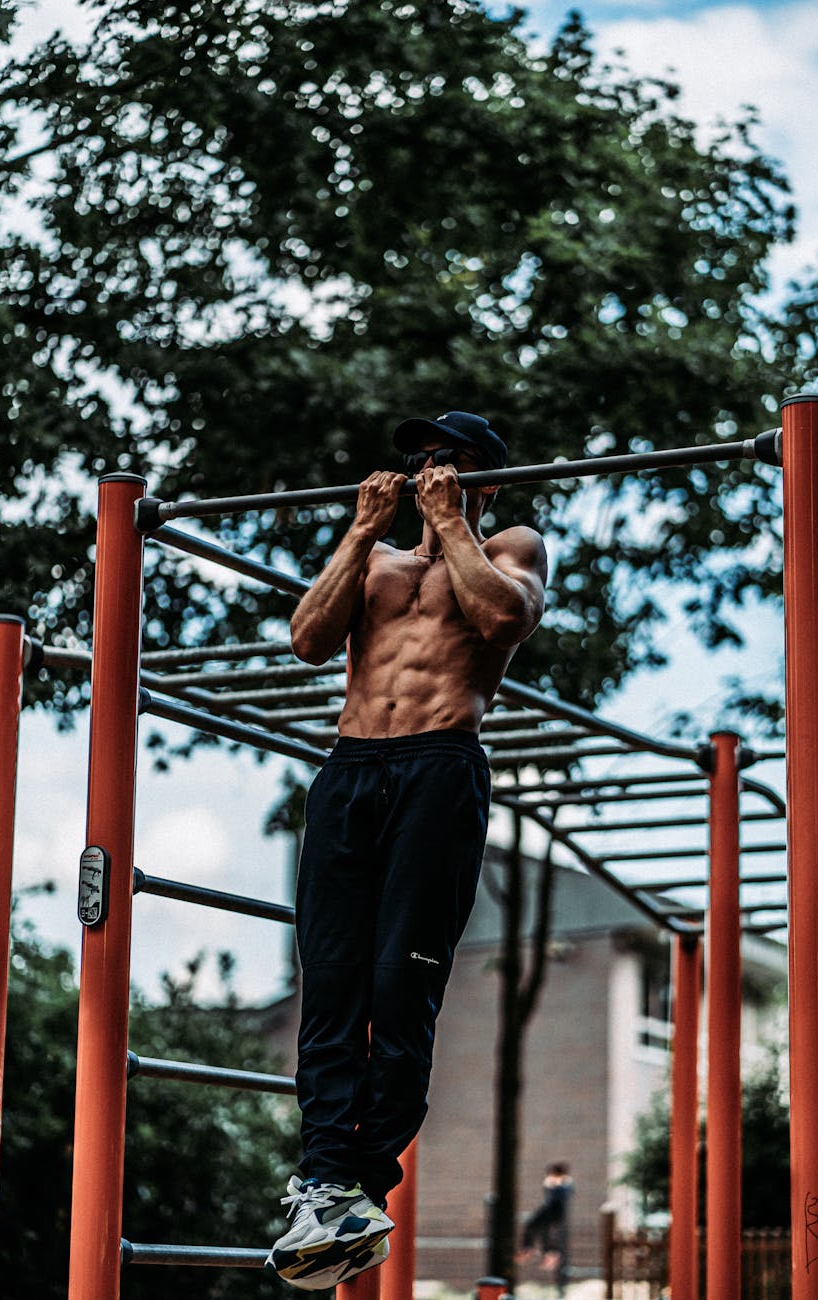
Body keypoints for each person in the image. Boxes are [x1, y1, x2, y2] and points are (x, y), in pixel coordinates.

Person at [267, 410, 548, 1289]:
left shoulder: (509, 545)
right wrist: (358, 529)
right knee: (333, 979)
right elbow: (309, 640)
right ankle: (323, 1182)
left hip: (439, 765)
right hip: (350, 768)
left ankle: (355, 1182)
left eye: (449, 463)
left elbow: (503, 622)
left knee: (400, 979)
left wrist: (454, 520)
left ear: (484, 478)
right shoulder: (376, 560)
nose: (427, 472)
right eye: (419, 461)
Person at [518, 1162, 575, 1297]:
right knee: (541, 1230)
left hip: (552, 1211)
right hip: (553, 1213)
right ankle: (546, 1252)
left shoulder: (561, 1183)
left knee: (533, 1226)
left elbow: (557, 1196)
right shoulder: (562, 1183)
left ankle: (534, 1249)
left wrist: (553, 1183)